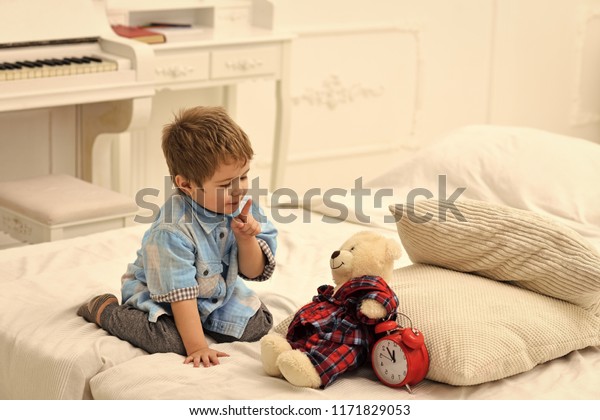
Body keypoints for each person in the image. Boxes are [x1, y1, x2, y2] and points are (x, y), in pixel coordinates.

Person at [77, 106, 277, 368]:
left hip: (215, 292)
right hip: (166, 296)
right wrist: (197, 347)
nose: (239, 189)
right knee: (170, 343)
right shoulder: (171, 232)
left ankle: (206, 321)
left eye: (244, 176)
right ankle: (104, 310)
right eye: (226, 184)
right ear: (186, 185)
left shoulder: (241, 207)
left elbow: (253, 272)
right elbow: (180, 297)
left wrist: (245, 238)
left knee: (259, 324)